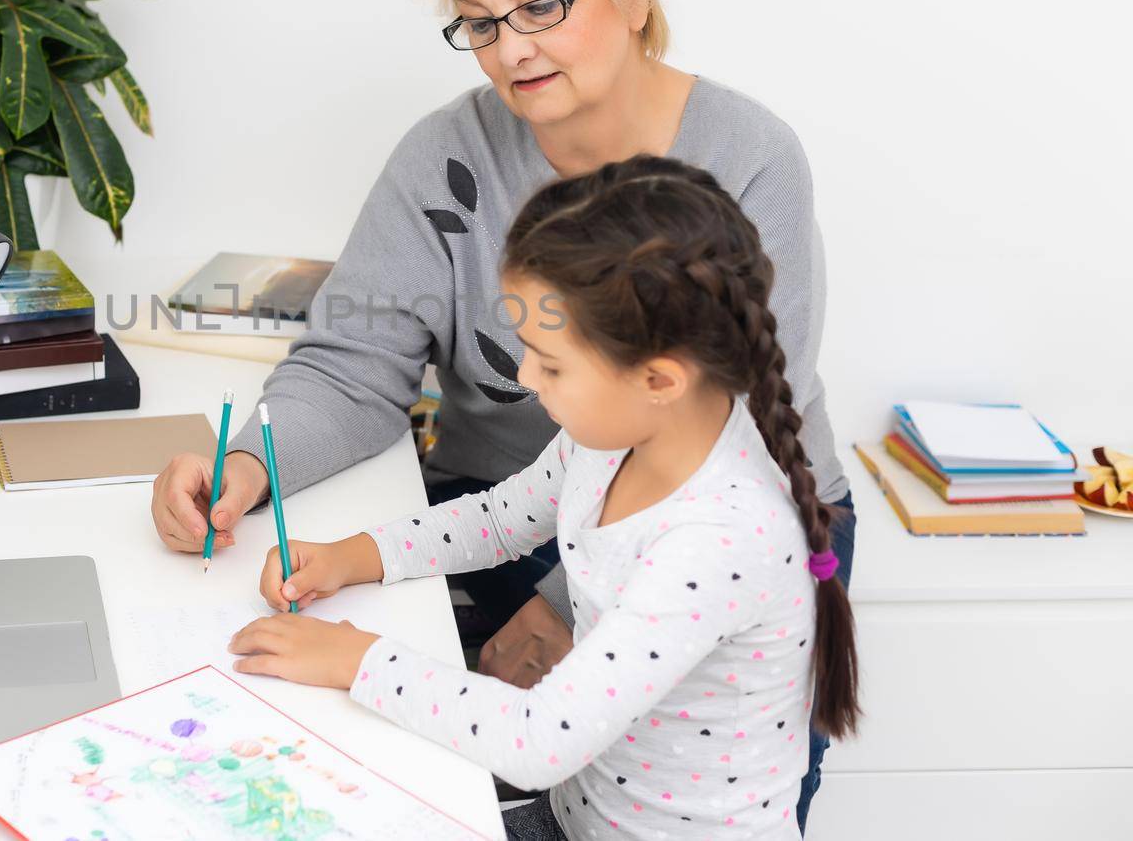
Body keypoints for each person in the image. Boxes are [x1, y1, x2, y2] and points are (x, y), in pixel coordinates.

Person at [149, 0, 856, 828]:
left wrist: (565, 606)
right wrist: (249, 470)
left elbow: (716, 438)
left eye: (539, 5)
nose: (509, 47)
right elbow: (358, 364)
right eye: (477, 20)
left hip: (699, 530)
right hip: (531, 508)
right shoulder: (446, 156)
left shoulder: (746, 160)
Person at [228, 157, 861, 839]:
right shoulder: (617, 437)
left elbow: (538, 739)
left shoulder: (722, 536)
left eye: (551, 362)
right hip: (575, 813)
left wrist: (355, 658)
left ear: (659, 378)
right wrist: (355, 555)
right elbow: (500, 519)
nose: (526, 376)